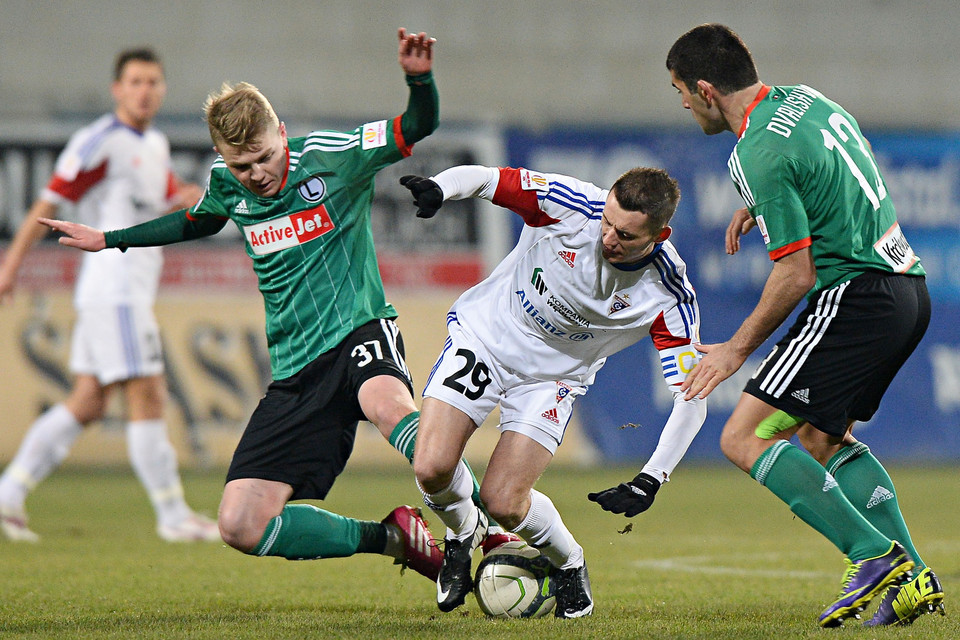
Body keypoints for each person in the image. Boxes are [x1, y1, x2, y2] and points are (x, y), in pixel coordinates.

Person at [37, 28, 505, 583]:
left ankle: (489, 527)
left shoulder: (335, 158)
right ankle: (393, 537)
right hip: (294, 370)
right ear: (222, 159)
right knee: (239, 523)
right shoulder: (226, 186)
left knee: (388, 405)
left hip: (360, 330)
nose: (256, 174)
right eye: (241, 166)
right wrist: (111, 238)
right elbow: (197, 220)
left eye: (263, 157)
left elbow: (416, 125)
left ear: (281, 133)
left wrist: (418, 78)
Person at [667, 23, 944, 628]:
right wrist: (760, 200)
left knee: (743, 437)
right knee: (822, 439)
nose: (682, 103)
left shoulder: (757, 152)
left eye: (680, 90)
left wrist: (736, 350)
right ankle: (915, 577)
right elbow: (831, 161)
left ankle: (873, 557)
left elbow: (795, 276)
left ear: (706, 89)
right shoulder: (805, 99)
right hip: (906, 289)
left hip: (856, 297)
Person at [400, 164, 706, 617]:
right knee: (431, 466)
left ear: (660, 236)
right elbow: (487, 179)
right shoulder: (571, 205)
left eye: (626, 235)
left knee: (504, 501)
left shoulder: (667, 294)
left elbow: (693, 394)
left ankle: (570, 564)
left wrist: (652, 477)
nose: (608, 238)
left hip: (552, 379)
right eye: (607, 221)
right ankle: (462, 533)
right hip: (487, 338)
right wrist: (441, 189)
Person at [0, 48, 218, 543]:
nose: (145, 90)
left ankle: (9, 492)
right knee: (149, 394)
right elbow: (48, 201)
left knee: (89, 401)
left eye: (153, 82)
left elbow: (163, 193)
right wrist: (10, 266)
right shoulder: (99, 141)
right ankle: (172, 515)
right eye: (135, 81)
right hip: (115, 289)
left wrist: (188, 194)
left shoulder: (155, 143)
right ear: (117, 89)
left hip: (116, 293)